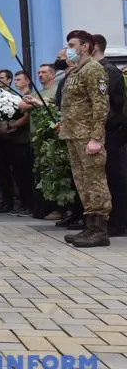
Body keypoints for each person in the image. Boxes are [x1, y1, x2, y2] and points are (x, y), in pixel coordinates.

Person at [59, 30, 112, 247]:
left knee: (94, 182)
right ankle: (89, 226)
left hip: (87, 136)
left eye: (72, 45)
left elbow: (101, 105)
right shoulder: (75, 71)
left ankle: (99, 230)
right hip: (73, 134)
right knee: (82, 182)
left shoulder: (93, 69)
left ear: (85, 46)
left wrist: (96, 138)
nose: (68, 50)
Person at [92, 34, 127, 237]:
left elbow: (105, 102)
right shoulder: (94, 69)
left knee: (114, 176)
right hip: (101, 130)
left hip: (111, 130)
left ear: (94, 47)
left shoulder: (108, 70)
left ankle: (118, 222)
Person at [0, 69, 35, 216]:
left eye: (2, 77)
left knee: (23, 173)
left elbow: (26, 116)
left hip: (20, 139)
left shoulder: (23, 96)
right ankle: (8, 201)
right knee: (6, 172)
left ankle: (27, 203)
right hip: (6, 139)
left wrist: (10, 126)